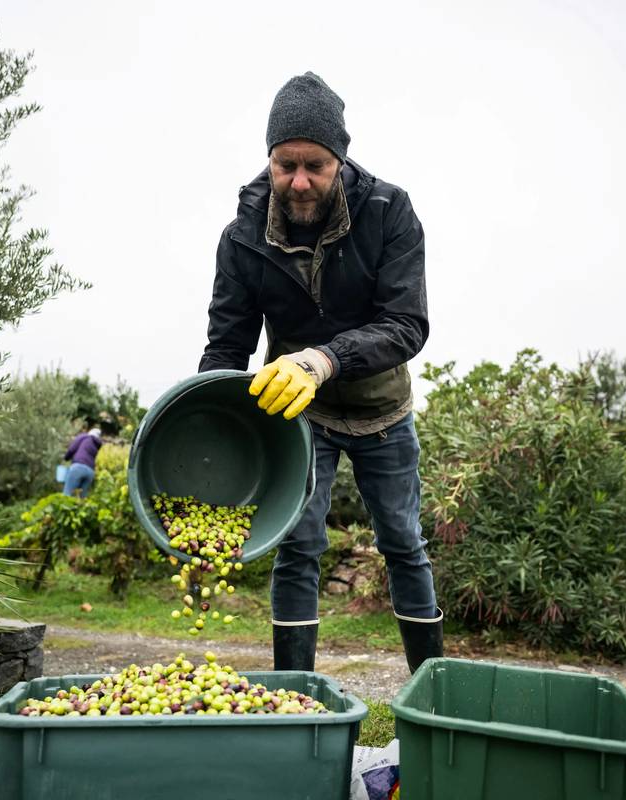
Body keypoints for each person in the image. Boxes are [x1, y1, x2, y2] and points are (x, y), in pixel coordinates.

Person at [199, 72, 443, 674]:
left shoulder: (390, 212)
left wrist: (322, 358)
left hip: (380, 409)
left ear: (341, 158)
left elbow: (407, 325)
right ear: (270, 160)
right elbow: (228, 345)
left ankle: (431, 687)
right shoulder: (242, 235)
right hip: (296, 413)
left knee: (403, 544)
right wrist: (208, 432)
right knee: (298, 544)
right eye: (286, 165)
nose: (299, 181)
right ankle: (293, 703)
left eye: (315, 166)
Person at [62, 426, 102, 497]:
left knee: (67, 494)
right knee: (81, 499)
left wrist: (66, 458)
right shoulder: (97, 445)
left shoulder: (84, 437)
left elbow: (72, 449)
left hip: (78, 467)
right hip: (90, 472)